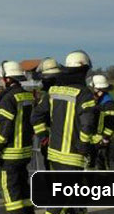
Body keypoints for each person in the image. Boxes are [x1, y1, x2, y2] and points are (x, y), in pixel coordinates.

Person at [31, 50, 96, 214]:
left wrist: (44, 137)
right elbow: (87, 125)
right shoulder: (85, 93)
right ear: (83, 69)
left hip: (54, 154)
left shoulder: (54, 91)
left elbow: (36, 116)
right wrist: (84, 146)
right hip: (73, 156)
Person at [0, 61, 35, 214]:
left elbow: (5, 126)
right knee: (23, 189)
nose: (1, 81)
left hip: (9, 154)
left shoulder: (7, 98)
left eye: (2, 78)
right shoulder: (27, 95)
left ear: (8, 79)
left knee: (11, 194)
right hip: (25, 151)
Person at [35, 57, 61, 170]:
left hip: (52, 143)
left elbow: (36, 117)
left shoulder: (49, 96)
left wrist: (43, 137)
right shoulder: (69, 92)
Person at [87, 75, 114, 170]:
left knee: (102, 166)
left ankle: (103, 184)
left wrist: (105, 139)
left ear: (98, 89)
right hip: (90, 138)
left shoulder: (108, 102)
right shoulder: (94, 100)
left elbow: (111, 123)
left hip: (101, 141)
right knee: (89, 165)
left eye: (93, 88)